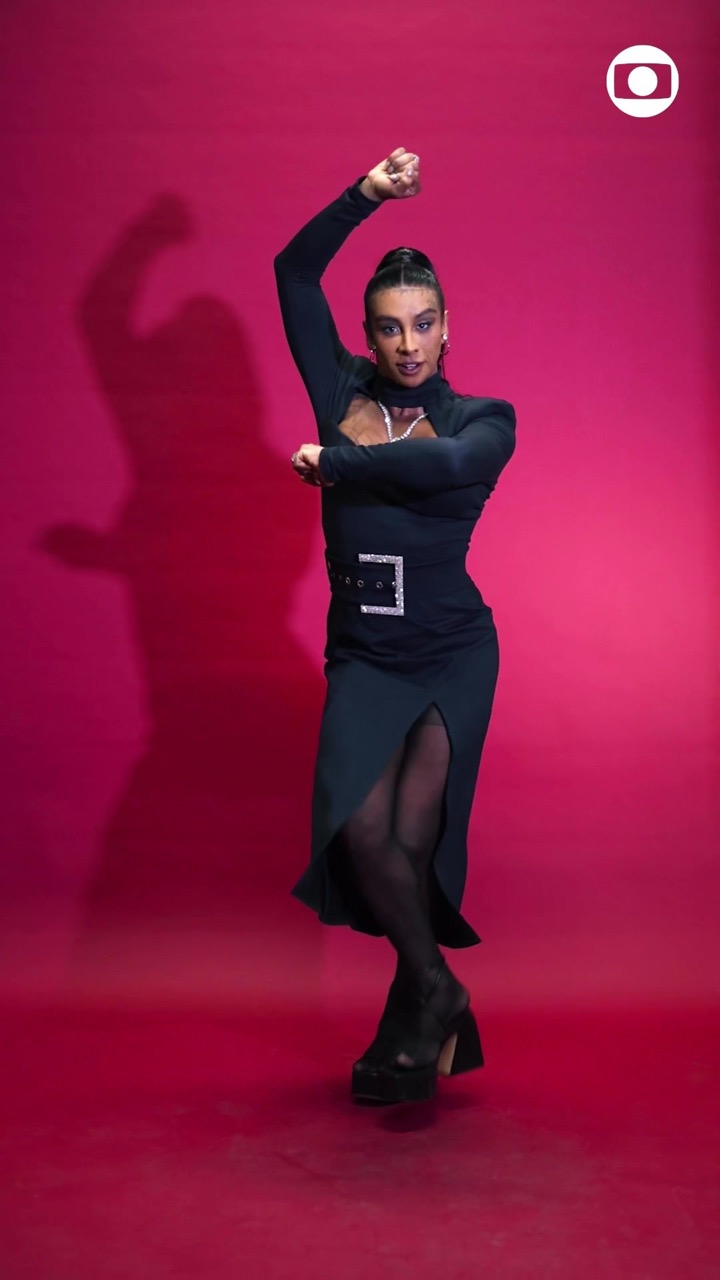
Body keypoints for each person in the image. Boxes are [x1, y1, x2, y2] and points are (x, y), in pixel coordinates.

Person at [274, 147, 517, 1104]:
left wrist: (337, 466)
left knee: (412, 845)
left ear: (447, 326)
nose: (408, 343)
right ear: (368, 334)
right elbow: (295, 273)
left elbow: (447, 469)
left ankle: (415, 1014)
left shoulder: (482, 418)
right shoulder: (341, 395)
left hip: (453, 653)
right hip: (366, 656)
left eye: (422, 324)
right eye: (388, 327)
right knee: (362, 831)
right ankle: (437, 990)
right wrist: (364, 195)